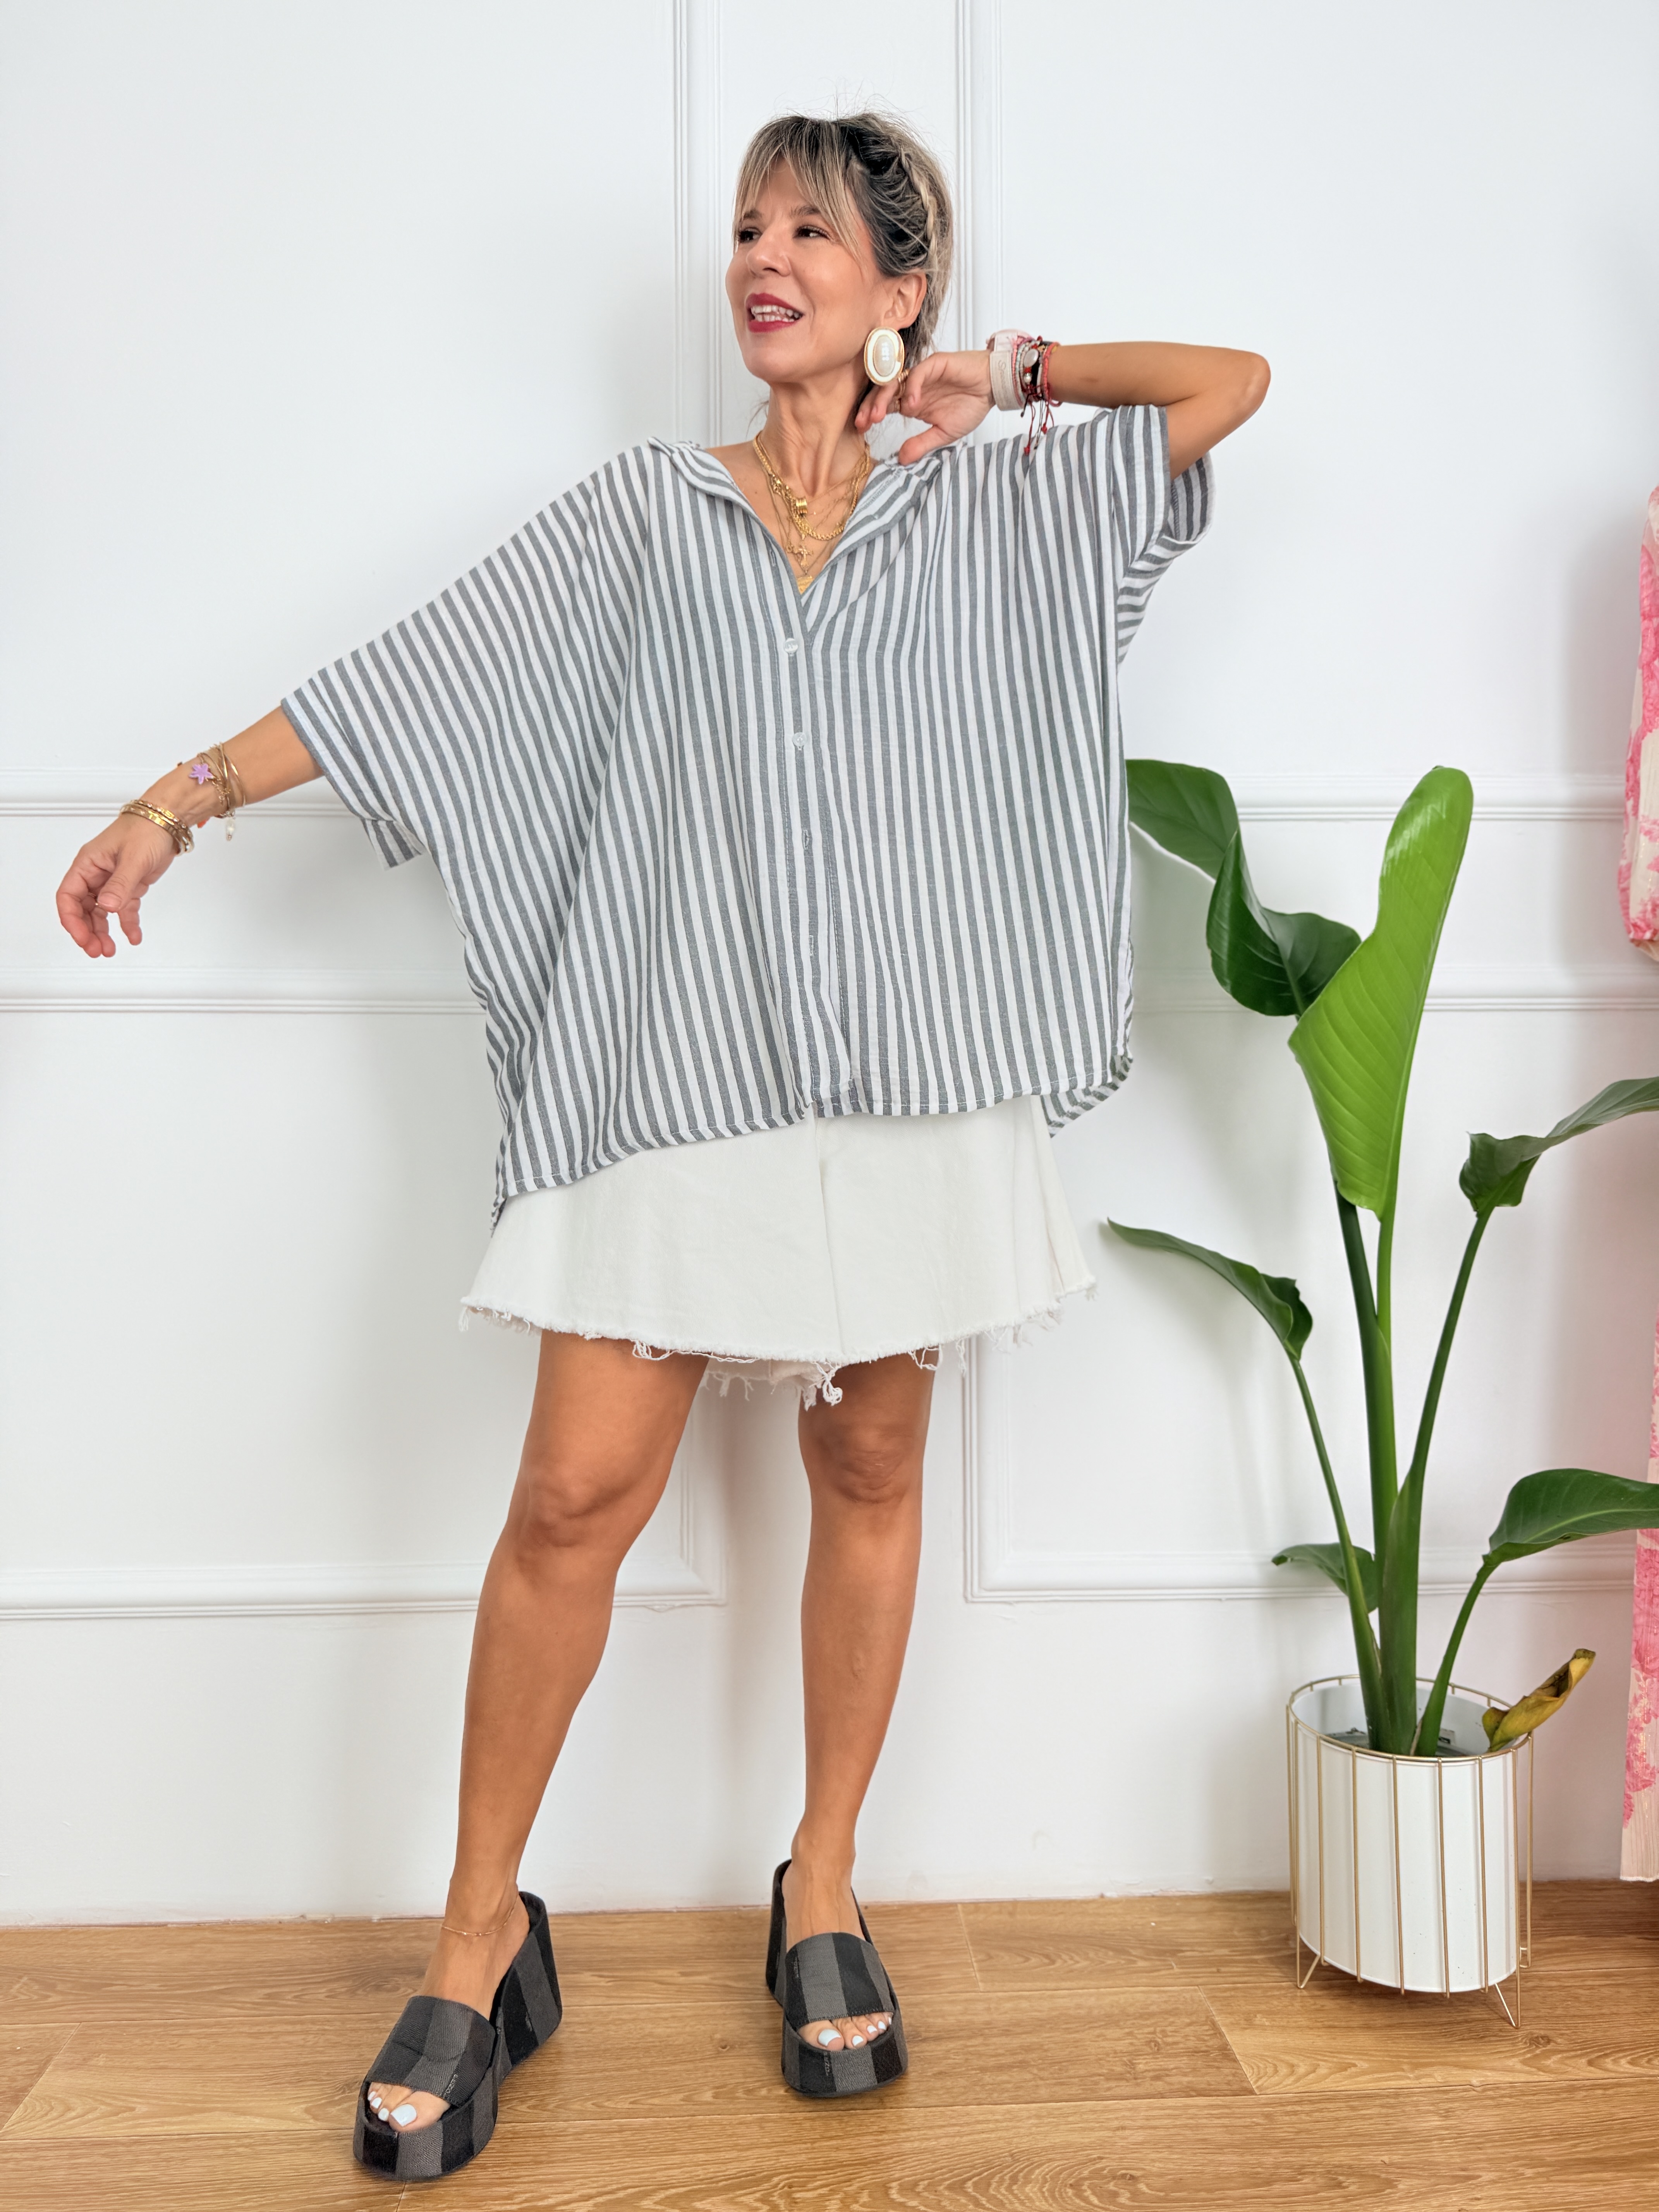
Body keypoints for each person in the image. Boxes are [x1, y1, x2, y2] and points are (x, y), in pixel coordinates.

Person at [54, 109, 1268, 2181]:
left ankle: (822, 1881)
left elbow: (1229, 387)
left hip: (911, 1077)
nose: (762, 258)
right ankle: (479, 1937)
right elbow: (414, 681)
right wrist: (178, 802)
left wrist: (1011, 380)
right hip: (674, 1067)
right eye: (746, 226)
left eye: (813, 231)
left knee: (870, 1469)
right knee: (569, 1503)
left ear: (897, 292)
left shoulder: (998, 513)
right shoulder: (643, 514)